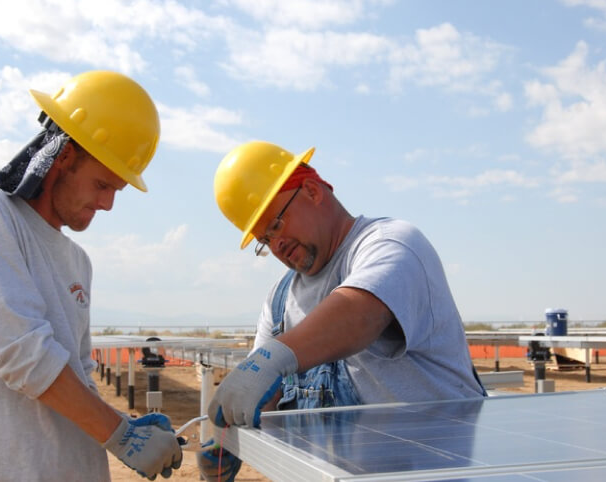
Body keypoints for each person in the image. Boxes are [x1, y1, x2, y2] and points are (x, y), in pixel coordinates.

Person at [0, 71, 182, 481]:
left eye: (117, 189)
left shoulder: (77, 261)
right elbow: (21, 353)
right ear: (63, 156)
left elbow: (75, 377)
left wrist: (123, 424)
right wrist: (120, 435)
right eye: (102, 184)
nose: (108, 204)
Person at [209, 140, 487, 429]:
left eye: (276, 225)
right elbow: (260, 392)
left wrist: (275, 357)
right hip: (341, 460)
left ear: (312, 191)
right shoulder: (279, 300)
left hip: (435, 454)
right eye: (265, 240)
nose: (276, 245)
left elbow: (360, 314)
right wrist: (227, 438)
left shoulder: (391, 243)